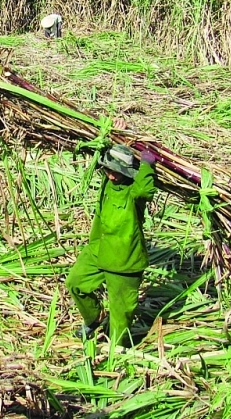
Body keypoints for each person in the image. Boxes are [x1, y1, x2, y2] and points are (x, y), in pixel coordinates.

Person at [66, 141, 157, 345]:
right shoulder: (108, 182)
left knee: (120, 313)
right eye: (109, 170)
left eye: (117, 172)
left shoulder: (133, 192)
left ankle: (116, 353)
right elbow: (101, 146)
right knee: (75, 283)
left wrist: (147, 165)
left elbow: (145, 191)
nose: (112, 176)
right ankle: (93, 318)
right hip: (99, 249)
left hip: (125, 259)